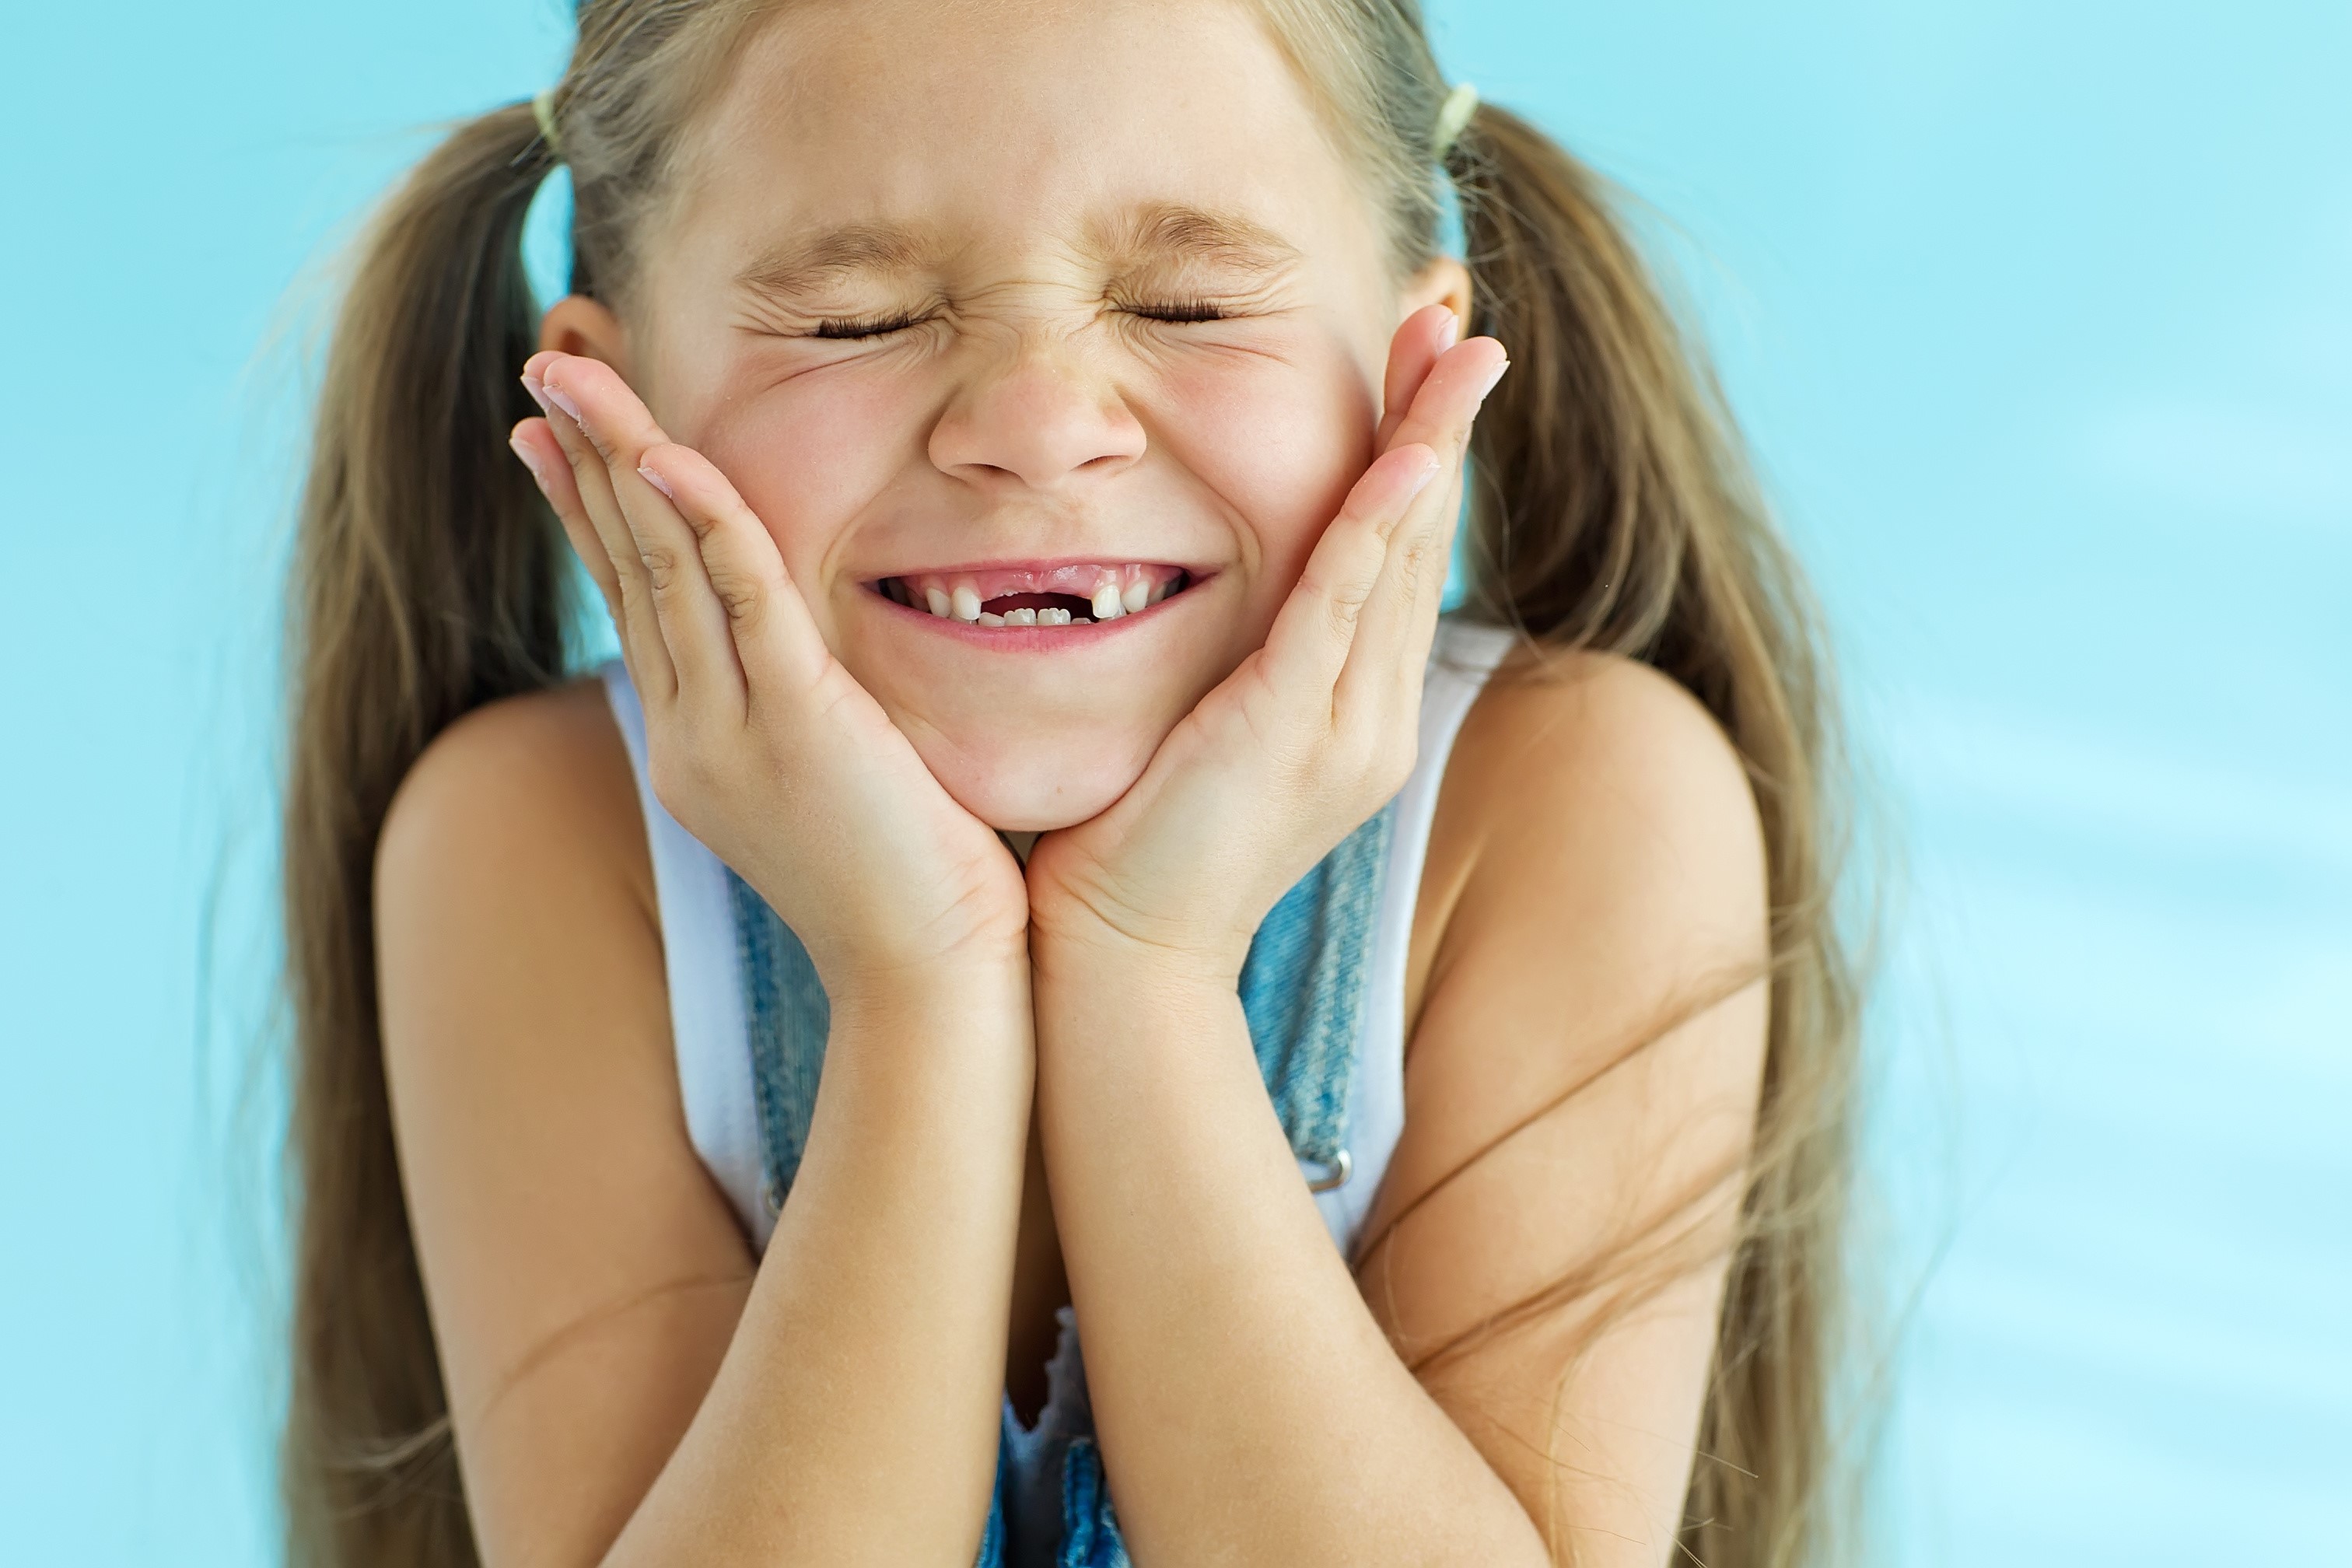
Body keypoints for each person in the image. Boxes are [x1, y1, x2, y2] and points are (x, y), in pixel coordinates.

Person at [278, 2, 1860, 1564]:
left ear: (1412, 370)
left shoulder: (1581, 803)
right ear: (607, 406)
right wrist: (919, 986)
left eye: (1183, 302)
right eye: (858, 318)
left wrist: (1141, 971)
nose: (1037, 429)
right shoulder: (533, 843)